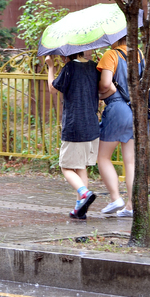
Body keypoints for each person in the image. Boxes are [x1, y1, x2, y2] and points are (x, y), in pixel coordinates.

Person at [46, 52, 106, 219]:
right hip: (91, 125)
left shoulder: (70, 67)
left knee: (65, 166)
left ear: (67, 54)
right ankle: (80, 209)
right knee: (81, 167)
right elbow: (101, 89)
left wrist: (50, 67)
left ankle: (84, 193)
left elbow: (52, 89)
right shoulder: (94, 67)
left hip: (75, 125)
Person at [96, 36, 141, 217]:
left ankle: (116, 198)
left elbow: (106, 83)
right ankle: (131, 205)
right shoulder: (139, 54)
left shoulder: (111, 55)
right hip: (135, 110)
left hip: (117, 109)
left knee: (103, 157)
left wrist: (101, 88)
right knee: (130, 161)